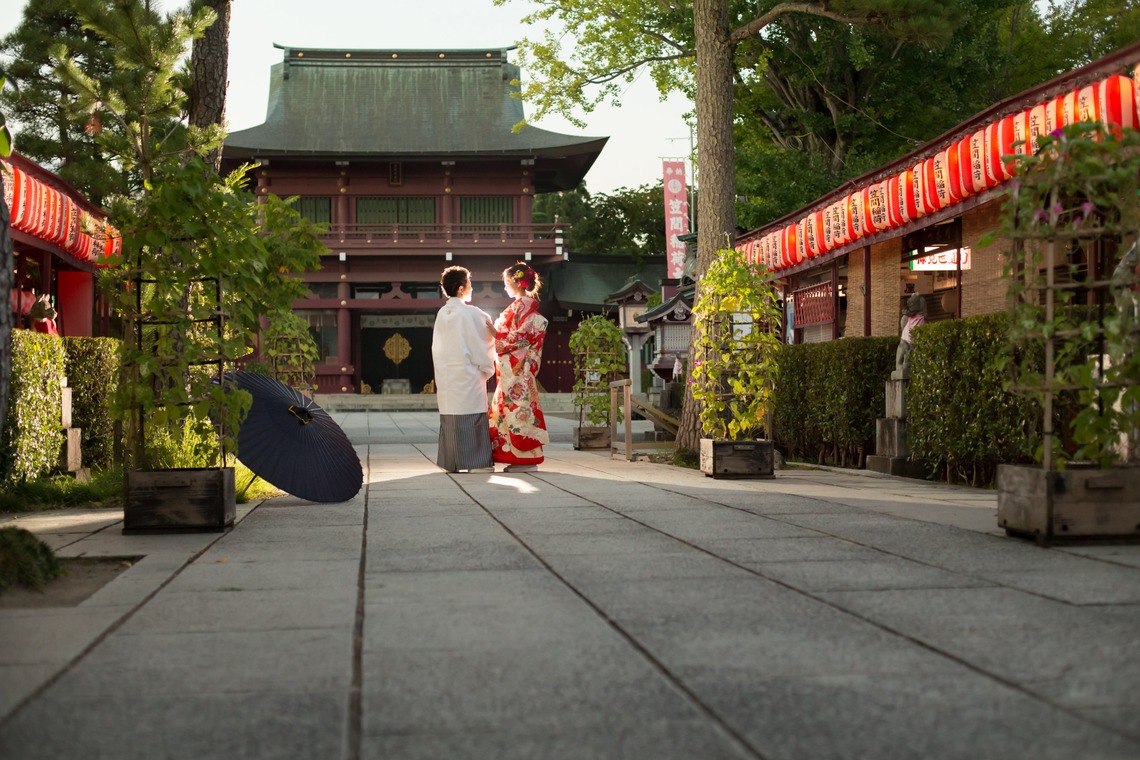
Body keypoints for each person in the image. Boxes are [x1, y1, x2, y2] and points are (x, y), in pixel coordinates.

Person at [431, 266, 496, 474]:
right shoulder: (472, 313)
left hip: (447, 375)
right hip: (468, 374)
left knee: (451, 417)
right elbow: (481, 344)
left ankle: (452, 461)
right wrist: (487, 368)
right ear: (460, 288)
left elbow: (436, 347)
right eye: (469, 284)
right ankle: (475, 462)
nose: (471, 288)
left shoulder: (442, 313)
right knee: (471, 416)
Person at [489, 262, 549, 472]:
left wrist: (496, 334)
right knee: (512, 414)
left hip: (518, 373)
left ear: (517, 282)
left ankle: (525, 460)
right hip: (514, 371)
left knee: (519, 414)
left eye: (506, 282)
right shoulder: (518, 307)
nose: (504, 287)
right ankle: (520, 458)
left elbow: (522, 336)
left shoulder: (524, 309)